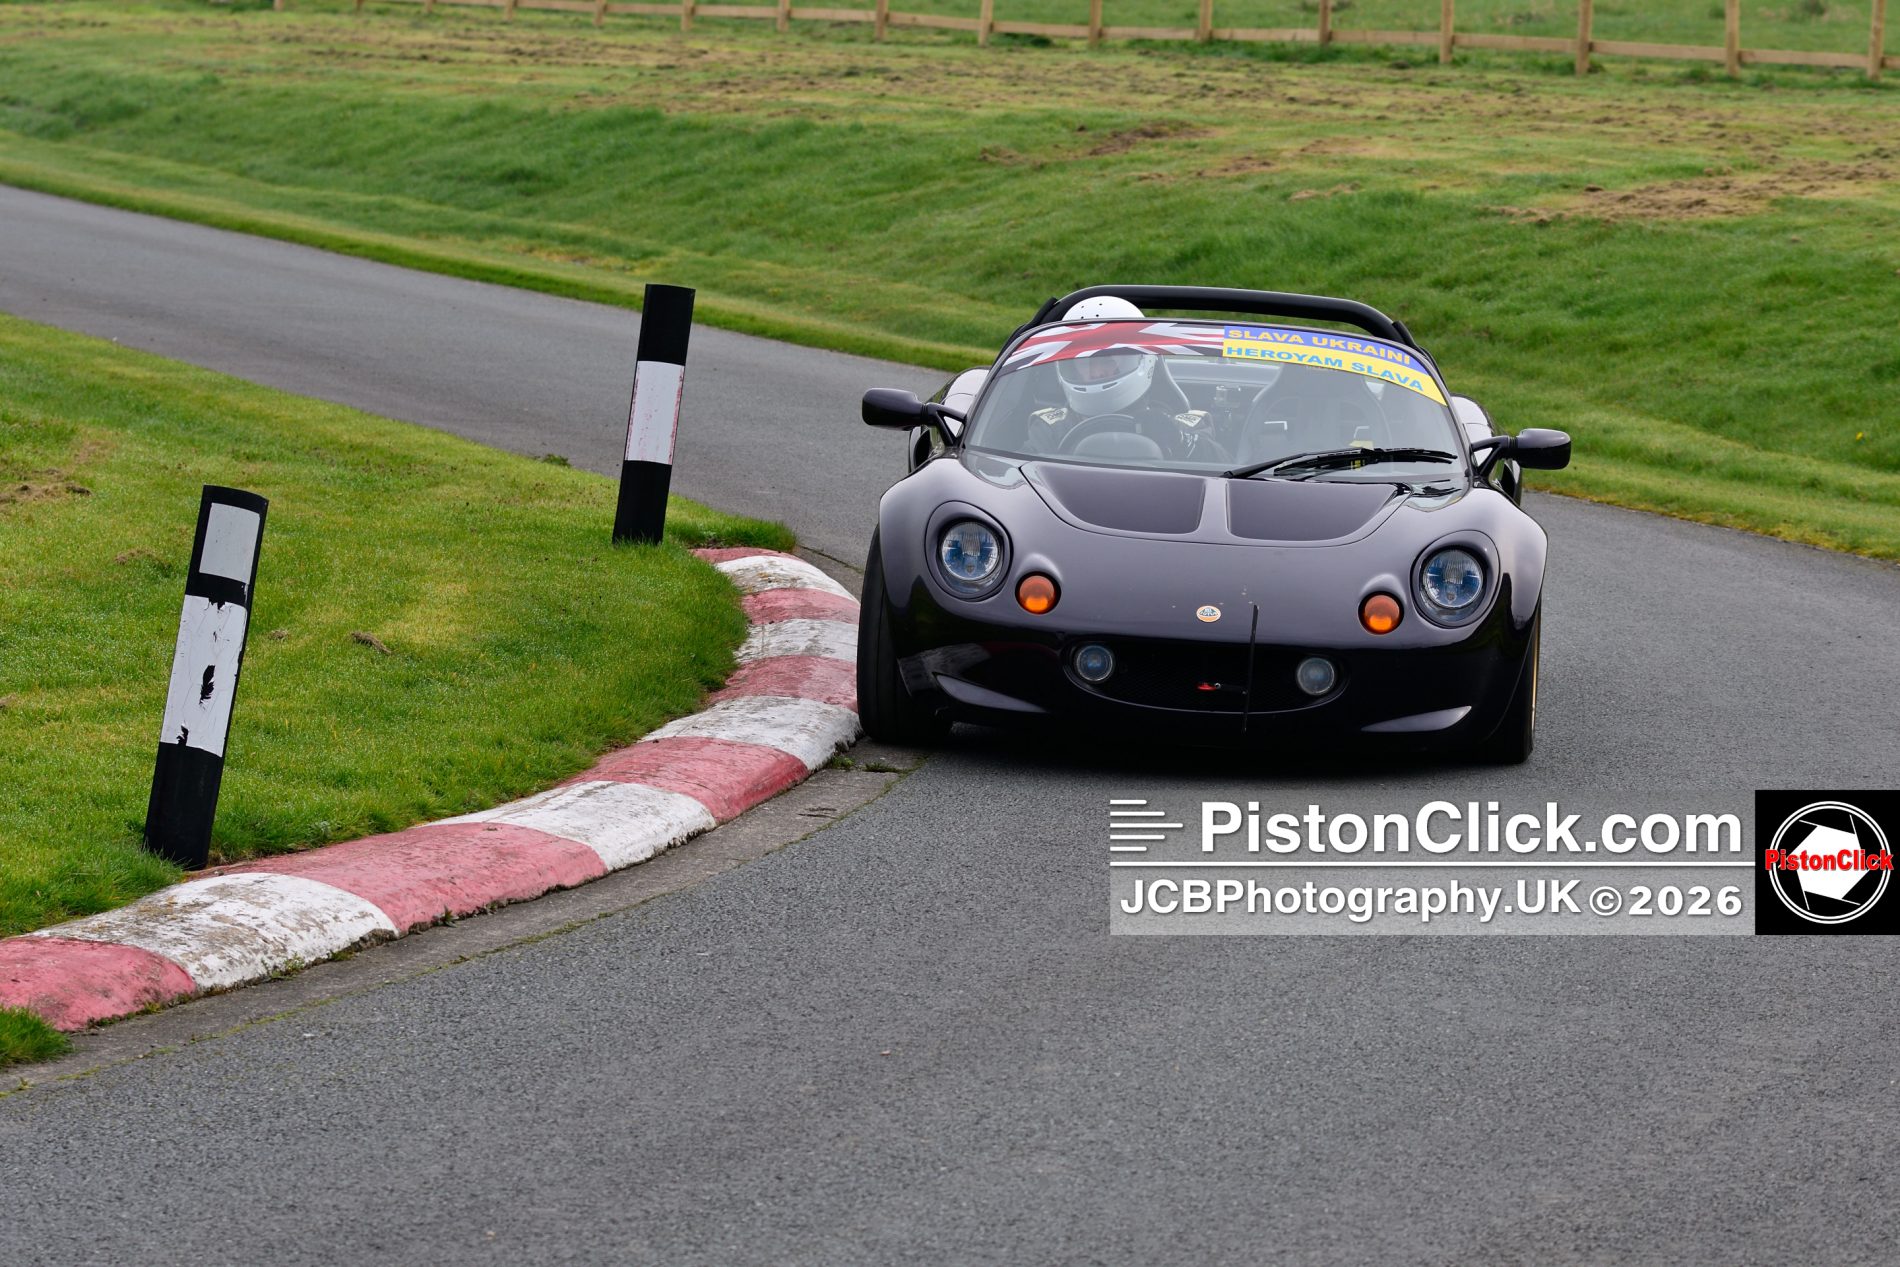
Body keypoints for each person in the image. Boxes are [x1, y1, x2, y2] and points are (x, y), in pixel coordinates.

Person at [1027, 297, 1229, 463]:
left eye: (1108, 360)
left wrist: (1178, 440)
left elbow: (1223, 470)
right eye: (1085, 361)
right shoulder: (1051, 428)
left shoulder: (1184, 427)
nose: (1097, 372)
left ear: (1145, 361)